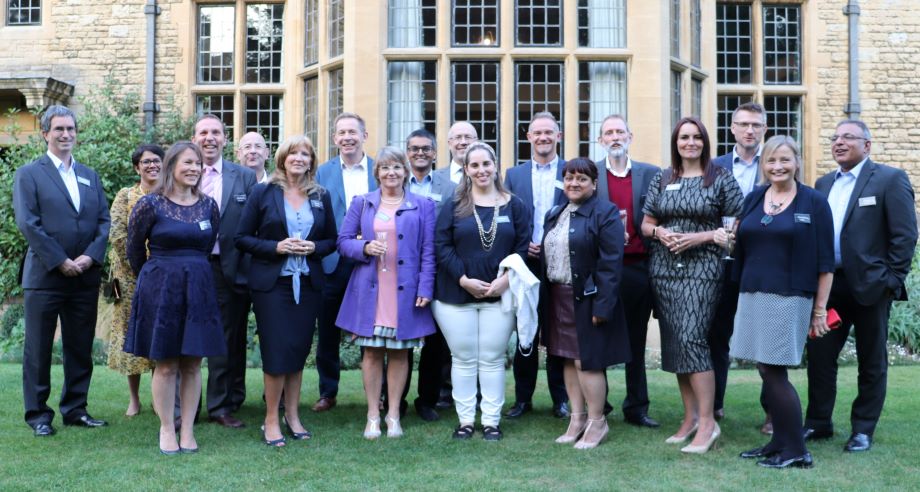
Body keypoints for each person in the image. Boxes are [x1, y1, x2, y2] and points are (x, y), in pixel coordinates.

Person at [718, 135, 834, 468]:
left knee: (773, 370)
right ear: (763, 165)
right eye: (771, 161)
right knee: (764, 369)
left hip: (789, 296)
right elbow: (742, 244)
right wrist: (731, 240)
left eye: (784, 160)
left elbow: (826, 262)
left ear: (797, 161)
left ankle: (797, 450)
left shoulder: (813, 202)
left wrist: (819, 310)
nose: (777, 166)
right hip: (753, 292)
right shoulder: (755, 198)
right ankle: (779, 441)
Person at [804, 119, 918, 453]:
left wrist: (891, 281)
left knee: (872, 361)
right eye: (835, 138)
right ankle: (818, 422)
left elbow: (905, 235)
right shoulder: (823, 184)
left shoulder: (889, 179)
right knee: (821, 357)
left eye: (848, 137)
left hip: (871, 287)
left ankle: (863, 429)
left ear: (867, 145)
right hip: (830, 286)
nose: (839, 143)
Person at [640, 117, 742, 453]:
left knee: (692, 339)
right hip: (664, 267)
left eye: (697, 137)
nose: (690, 143)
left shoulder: (721, 180)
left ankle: (708, 422)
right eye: (684, 137)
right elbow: (646, 223)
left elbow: (732, 232)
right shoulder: (662, 177)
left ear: (705, 142)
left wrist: (698, 238)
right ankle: (690, 418)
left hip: (704, 268)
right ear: (676, 142)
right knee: (675, 343)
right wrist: (660, 232)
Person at [13, 105, 111, 437]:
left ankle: (75, 409)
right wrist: (60, 260)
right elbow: (29, 223)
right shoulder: (30, 174)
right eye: (59, 129)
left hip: (84, 276)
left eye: (70, 129)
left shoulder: (89, 175)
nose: (66, 134)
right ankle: (39, 415)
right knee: (38, 349)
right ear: (45, 134)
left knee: (79, 347)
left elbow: (103, 222)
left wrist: (89, 257)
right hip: (45, 277)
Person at [235, 135, 337, 446]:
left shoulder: (321, 196)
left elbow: (332, 240)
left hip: (308, 285)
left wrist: (314, 246)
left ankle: (292, 416)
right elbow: (242, 238)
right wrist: (276, 247)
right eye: (294, 153)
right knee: (277, 353)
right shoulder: (263, 193)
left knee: (298, 351)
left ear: (311, 161)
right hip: (273, 285)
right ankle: (270, 419)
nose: (300, 158)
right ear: (282, 158)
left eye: (306, 154)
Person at [124, 141, 224, 454]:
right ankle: (167, 428)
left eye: (197, 163)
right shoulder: (150, 204)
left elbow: (206, 249)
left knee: (193, 364)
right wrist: (156, 277)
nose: (194, 168)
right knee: (165, 364)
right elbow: (134, 249)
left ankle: (188, 430)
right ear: (172, 167)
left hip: (198, 289)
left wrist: (189, 270)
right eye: (187, 163)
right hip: (160, 290)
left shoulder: (209, 206)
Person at [336, 147, 437, 439]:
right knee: (371, 352)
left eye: (396, 167)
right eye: (384, 168)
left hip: (405, 290)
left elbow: (429, 251)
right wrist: (364, 247)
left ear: (405, 172)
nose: (390, 173)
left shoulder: (424, 205)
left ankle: (393, 415)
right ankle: (372, 415)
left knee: (400, 352)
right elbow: (342, 242)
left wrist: (426, 287)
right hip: (371, 289)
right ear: (376, 172)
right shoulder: (362, 203)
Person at [433, 142, 530, 441]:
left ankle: (490, 421)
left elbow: (523, 247)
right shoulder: (453, 205)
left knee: (491, 358)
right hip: (455, 294)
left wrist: (506, 280)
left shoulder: (515, 205)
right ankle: (465, 421)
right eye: (474, 165)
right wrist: (463, 279)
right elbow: (441, 245)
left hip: (500, 294)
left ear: (495, 165)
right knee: (462, 358)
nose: (481, 170)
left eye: (486, 164)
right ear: (466, 170)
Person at [542, 158, 629, 449]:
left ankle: (597, 422)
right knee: (567, 357)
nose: (574, 184)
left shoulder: (605, 214)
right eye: (569, 178)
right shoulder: (556, 212)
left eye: (581, 179)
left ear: (594, 183)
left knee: (587, 361)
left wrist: (603, 306)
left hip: (588, 300)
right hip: (558, 296)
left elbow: (611, 264)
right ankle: (577, 419)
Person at [593, 114, 661, 429]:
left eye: (620, 131)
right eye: (609, 132)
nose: (615, 137)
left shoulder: (651, 174)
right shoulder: (590, 174)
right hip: (604, 270)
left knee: (636, 340)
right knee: (601, 336)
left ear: (630, 136)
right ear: (600, 140)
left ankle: (637, 407)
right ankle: (600, 405)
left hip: (638, 268)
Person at [192, 114, 257, 428]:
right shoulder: (183, 172)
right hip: (190, 267)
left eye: (215, 132)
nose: (209, 137)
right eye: (203, 132)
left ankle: (220, 405)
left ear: (225, 138)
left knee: (225, 339)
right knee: (187, 336)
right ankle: (185, 407)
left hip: (228, 268)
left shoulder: (243, 176)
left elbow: (254, 221)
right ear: (195, 138)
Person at [503, 112, 569, 419]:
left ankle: (561, 399)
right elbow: (507, 218)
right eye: (537, 133)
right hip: (525, 262)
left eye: (549, 132)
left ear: (559, 135)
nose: (543, 137)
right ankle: (522, 399)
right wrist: (522, 244)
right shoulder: (513, 176)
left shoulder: (572, 171)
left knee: (558, 331)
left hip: (561, 263)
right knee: (525, 331)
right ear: (528, 137)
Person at [710, 102, 770, 431]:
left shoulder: (775, 164)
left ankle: (772, 411)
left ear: (764, 129)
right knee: (717, 336)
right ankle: (714, 405)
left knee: (765, 339)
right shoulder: (714, 166)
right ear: (732, 128)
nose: (750, 130)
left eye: (756, 125)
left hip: (762, 264)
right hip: (720, 263)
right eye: (744, 124)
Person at [314, 112, 378, 412]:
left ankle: (377, 392)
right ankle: (328, 391)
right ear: (334, 138)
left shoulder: (381, 170)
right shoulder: (321, 174)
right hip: (333, 260)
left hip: (372, 258)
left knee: (375, 326)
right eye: (341, 132)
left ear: (364, 136)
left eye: (353, 131)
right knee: (327, 329)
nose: (347, 137)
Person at [105, 144, 164, 417]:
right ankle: (134, 399)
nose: (152, 165)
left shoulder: (169, 195)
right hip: (129, 278)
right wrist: (140, 267)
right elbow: (117, 234)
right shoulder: (126, 195)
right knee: (132, 334)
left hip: (164, 276)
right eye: (146, 162)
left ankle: (159, 396)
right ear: (136, 167)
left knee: (159, 333)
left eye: (156, 161)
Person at [405, 128, 457, 422]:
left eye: (426, 148)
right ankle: (393, 399)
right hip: (401, 269)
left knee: (435, 342)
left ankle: (427, 400)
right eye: (414, 148)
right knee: (396, 339)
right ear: (407, 152)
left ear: (435, 152)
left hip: (437, 271)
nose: (420, 153)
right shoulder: (397, 182)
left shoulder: (449, 187)